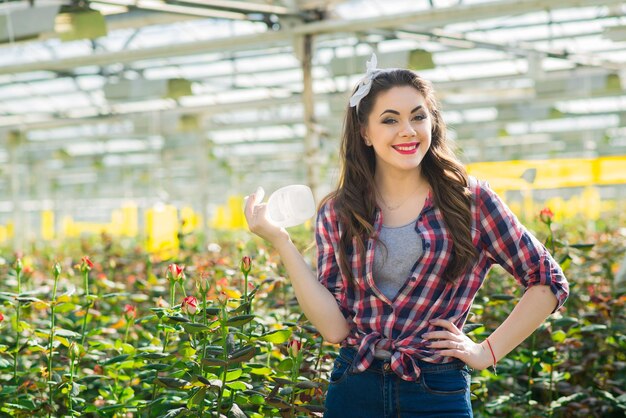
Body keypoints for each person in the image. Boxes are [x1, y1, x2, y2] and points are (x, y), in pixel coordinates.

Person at [244, 53, 569, 417]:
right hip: (354, 385)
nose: (408, 131)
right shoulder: (338, 211)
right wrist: (281, 241)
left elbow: (547, 279)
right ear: (365, 133)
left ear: (433, 122)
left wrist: (485, 352)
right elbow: (334, 329)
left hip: (436, 390)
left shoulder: (470, 201)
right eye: (390, 120)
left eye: (418, 116)